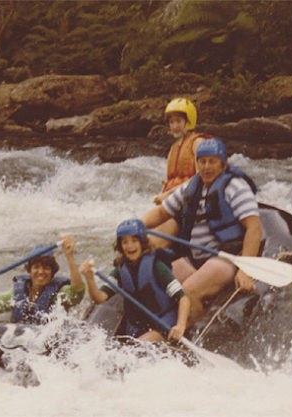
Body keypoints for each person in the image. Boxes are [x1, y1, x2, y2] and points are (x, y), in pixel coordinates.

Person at [141, 138, 262, 320]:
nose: (206, 167)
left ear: (223, 164)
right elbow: (161, 213)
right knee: (159, 281)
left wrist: (246, 270)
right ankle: (162, 330)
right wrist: (135, 227)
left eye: (212, 161)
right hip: (196, 258)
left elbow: (254, 228)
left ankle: (188, 335)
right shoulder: (191, 187)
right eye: (202, 161)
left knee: (187, 291)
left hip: (226, 258)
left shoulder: (236, 187)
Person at [79, 219, 190, 342]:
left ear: (142, 243)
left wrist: (180, 326)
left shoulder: (157, 267)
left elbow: (183, 298)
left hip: (163, 320)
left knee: (141, 345)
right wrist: (89, 279)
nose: (130, 246)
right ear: (120, 246)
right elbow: (99, 298)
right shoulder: (120, 270)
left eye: (134, 241)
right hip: (140, 324)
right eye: (125, 242)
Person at [0, 234, 84, 324]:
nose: (41, 272)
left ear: (52, 271)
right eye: (36, 267)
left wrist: (69, 256)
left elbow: (77, 292)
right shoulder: (18, 293)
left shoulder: (59, 293)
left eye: (46, 268)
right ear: (29, 270)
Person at [153, 97, 212, 205]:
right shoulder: (173, 148)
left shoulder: (198, 143)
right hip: (174, 201)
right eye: (171, 122)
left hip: (193, 202)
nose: (174, 126)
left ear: (188, 121)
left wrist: (169, 194)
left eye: (178, 121)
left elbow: (201, 179)